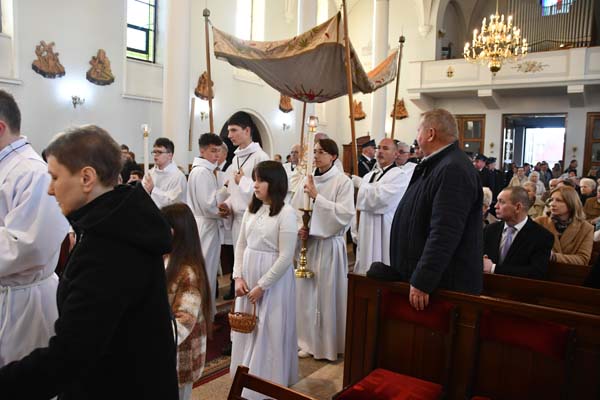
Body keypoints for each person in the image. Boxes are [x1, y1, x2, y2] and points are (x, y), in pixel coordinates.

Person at [0, 125, 178, 398]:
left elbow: (70, 356)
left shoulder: (109, 246)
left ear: (86, 178)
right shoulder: (117, 223)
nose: (50, 190)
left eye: (55, 177)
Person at [0, 89, 69, 368]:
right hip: (9, 297)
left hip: (22, 305)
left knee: (22, 379)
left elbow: (29, 247)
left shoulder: (32, 172)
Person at [390, 109, 483, 311]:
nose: (416, 137)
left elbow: (445, 231)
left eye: (418, 130)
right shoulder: (439, 164)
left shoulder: (453, 168)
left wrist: (423, 279)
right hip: (431, 282)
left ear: (430, 134)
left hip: (443, 287)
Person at [230, 161, 298, 398]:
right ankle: (243, 376)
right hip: (248, 275)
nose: (255, 185)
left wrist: (262, 285)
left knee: (270, 326)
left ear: (275, 183)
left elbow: (286, 256)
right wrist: (238, 276)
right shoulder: (253, 209)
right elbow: (240, 244)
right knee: (248, 326)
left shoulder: (287, 213)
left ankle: (267, 382)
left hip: (273, 282)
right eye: (255, 180)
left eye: (260, 180)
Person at [291, 138, 354, 360]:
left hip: (329, 245)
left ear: (333, 156)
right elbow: (294, 210)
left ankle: (327, 345)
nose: (316, 156)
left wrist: (317, 198)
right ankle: (305, 340)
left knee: (326, 295)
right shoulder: (307, 180)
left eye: (321, 152)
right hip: (309, 246)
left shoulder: (342, 182)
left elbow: (344, 214)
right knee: (306, 295)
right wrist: (300, 228)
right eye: (315, 151)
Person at [161, 204, 210, 400]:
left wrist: (151, 340)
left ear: (176, 231)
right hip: (166, 350)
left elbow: (184, 321)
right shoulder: (166, 258)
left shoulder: (189, 271)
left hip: (181, 355)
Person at [354, 138, 411, 274]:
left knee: (381, 264)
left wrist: (360, 184)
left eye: (385, 148)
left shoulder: (400, 176)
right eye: (378, 148)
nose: (380, 151)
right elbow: (360, 203)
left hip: (384, 229)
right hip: (366, 227)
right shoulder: (369, 176)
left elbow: (380, 199)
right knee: (364, 265)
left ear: (396, 154)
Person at [218, 112, 270, 253]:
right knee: (239, 261)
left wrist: (242, 181)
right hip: (237, 221)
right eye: (229, 131)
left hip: (254, 219)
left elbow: (266, 192)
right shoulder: (236, 158)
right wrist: (228, 204)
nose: (229, 135)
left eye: (234, 130)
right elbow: (234, 191)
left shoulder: (261, 157)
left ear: (247, 130)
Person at [187, 133, 224, 319]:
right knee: (205, 270)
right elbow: (208, 205)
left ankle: (205, 312)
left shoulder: (203, 170)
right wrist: (225, 197)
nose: (217, 155)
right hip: (206, 226)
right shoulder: (202, 172)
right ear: (202, 151)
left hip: (203, 224)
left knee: (206, 269)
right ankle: (203, 315)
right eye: (212, 151)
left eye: (218, 151)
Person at [483, 187, 553, 280]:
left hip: (520, 288)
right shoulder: (490, 230)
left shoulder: (542, 236)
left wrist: (494, 268)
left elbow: (536, 272)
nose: (496, 206)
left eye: (501, 202)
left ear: (518, 207)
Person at [535, 186, 594, 266]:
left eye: (559, 200)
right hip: (541, 270)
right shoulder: (539, 222)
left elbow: (583, 259)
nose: (552, 204)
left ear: (571, 203)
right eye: (551, 200)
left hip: (568, 272)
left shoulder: (586, 228)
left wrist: (554, 257)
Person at [143, 137, 187, 208]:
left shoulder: (178, 177)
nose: (155, 155)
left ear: (170, 155)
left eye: (159, 152)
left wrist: (153, 190)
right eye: (154, 152)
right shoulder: (150, 173)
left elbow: (174, 202)